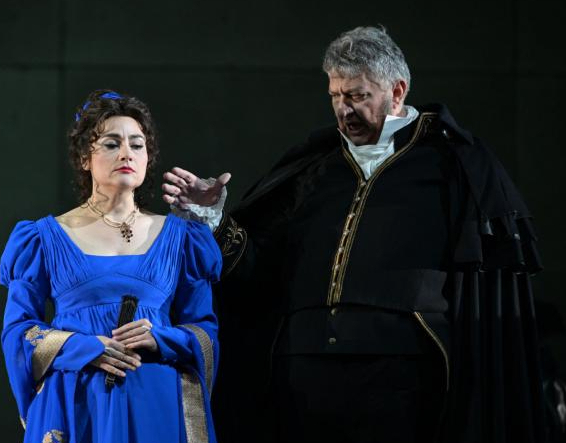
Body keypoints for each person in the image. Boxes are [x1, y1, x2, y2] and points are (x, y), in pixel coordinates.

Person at [163, 26, 544, 442]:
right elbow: (262, 271)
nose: (344, 110)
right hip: (302, 371)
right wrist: (212, 217)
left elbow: (483, 287)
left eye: (358, 96)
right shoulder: (314, 168)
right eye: (336, 96)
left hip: (402, 372)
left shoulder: (453, 165)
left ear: (397, 91)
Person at [0, 90, 221, 443]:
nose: (126, 154)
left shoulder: (183, 238)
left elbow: (205, 332)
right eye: (112, 144)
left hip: (155, 402)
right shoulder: (42, 238)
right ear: (84, 157)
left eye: (137, 145)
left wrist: (160, 338)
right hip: (76, 401)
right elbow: (19, 331)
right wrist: (84, 348)